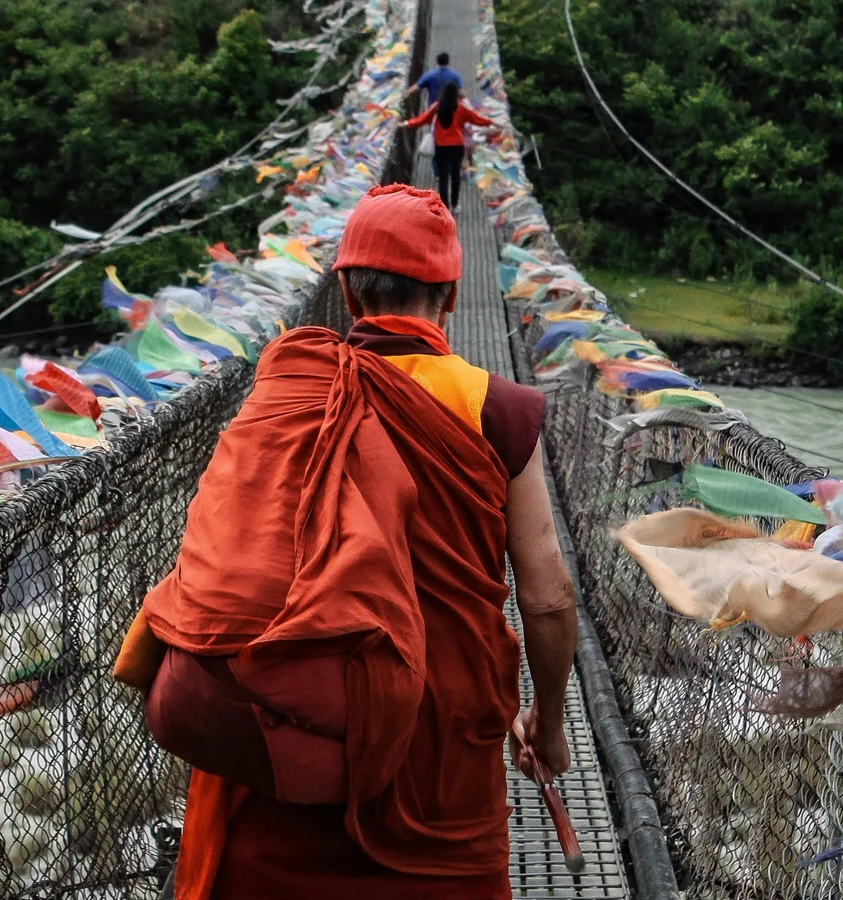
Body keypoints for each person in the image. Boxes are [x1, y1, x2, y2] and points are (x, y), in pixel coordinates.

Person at [115, 184, 577, 899]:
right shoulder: (502, 409)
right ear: (450, 294)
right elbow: (548, 599)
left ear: (347, 292)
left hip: (293, 730)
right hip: (442, 751)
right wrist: (548, 723)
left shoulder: (288, 389)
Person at [405, 81, 493, 213]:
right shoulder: (461, 108)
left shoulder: (437, 107)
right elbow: (476, 119)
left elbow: (421, 119)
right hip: (457, 146)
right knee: (455, 175)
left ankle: (444, 205)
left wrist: (407, 123)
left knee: (443, 177)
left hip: (440, 146)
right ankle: (456, 204)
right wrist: (491, 122)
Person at [407, 52, 464, 178]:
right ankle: (451, 167)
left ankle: (438, 171)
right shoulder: (454, 76)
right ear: (448, 61)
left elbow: (416, 87)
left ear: (437, 62)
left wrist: (405, 94)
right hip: (453, 112)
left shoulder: (430, 75)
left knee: (436, 140)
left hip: (434, 113)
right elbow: (462, 93)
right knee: (452, 137)